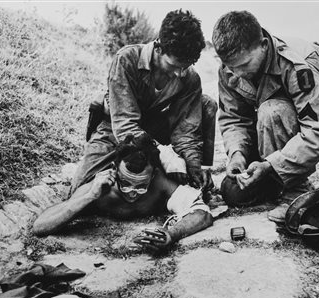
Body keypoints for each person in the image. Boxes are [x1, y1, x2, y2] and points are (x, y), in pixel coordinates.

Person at [212, 11, 319, 223]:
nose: (237, 73)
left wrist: (269, 165)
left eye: (244, 65)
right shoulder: (230, 69)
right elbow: (234, 119)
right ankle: (273, 183)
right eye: (232, 66)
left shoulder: (298, 67)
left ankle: (295, 192)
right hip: (275, 127)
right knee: (232, 192)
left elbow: (318, 132)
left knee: (273, 110)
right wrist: (237, 154)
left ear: (263, 45)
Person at [75, 9, 217, 198]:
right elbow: (124, 124)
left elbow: (186, 132)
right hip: (116, 129)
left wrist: (194, 166)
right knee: (80, 190)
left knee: (206, 104)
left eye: (185, 67)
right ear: (158, 48)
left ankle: (195, 176)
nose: (180, 74)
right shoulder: (126, 60)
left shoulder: (189, 78)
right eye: (174, 66)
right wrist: (164, 155)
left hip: (153, 128)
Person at [32, 134, 214, 251]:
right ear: (115, 172)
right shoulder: (99, 189)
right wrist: (89, 196)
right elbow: (40, 226)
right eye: (125, 184)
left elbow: (202, 214)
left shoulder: (160, 183)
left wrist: (171, 234)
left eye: (141, 186)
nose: (132, 193)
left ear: (153, 176)